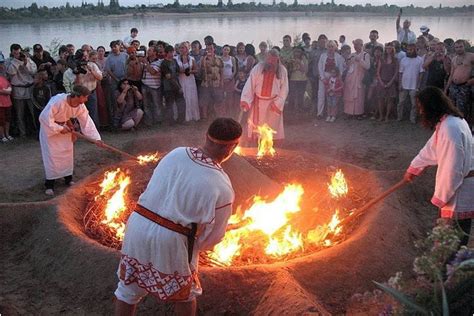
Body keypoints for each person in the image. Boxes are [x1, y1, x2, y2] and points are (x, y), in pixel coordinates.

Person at [114, 118, 241, 316]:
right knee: (185, 294)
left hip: (137, 224)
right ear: (232, 147)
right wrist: (196, 246)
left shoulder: (176, 153)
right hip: (173, 239)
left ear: (206, 137)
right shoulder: (222, 186)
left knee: (127, 289)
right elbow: (215, 236)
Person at [404, 87, 473, 247]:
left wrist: (441, 197)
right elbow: (431, 148)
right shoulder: (450, 122)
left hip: (458, 192)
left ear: (431, 107)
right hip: (460, 188)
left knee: (450, 242)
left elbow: (452, 169)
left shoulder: (450, 128)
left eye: (421, 107)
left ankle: (447, 270)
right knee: (452, 239)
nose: (420, 112)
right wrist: (413, 168)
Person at [39, 85, 102, 196]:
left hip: (66, 129)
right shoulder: (57, 101)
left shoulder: (80, 106)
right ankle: (49, 184)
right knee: (52, 157)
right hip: (50, 130)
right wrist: (59, 128)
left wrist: (96, 139)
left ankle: (68, 179)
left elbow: (86, 121)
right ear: (78, 96)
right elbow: (44, 118)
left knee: (66, 155)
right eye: (85, 97)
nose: (86, 100)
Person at [240, 49, 288, 141]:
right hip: (258, 102)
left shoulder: (282, 71)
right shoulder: (258, 68)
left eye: (273, 62)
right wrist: (245, 100)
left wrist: (278, 103)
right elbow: (250, 84)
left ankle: (269, 143)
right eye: (269, 61)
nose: (271, 64)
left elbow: (284, 89)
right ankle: (257, 142)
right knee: (257, 125)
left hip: (273, 103)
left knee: (271, 127)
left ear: (277, 61)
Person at [63, 49, 103, 128]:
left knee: (93, 113)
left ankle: (94, 131)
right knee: (79, 114)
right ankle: (82, 130)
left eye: (86, 56)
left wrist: (91, 71)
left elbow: (100, 77)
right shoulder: (73, 69)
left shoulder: (93, 65)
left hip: (91, 92)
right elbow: (77, 85)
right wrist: (78, 73)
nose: (84, 58)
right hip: (80, 95)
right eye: (83, 57)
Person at [7, 43, 37, 137]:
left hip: (29, 88)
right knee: (20, 114)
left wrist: (25, 62)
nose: (18, 55)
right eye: (15, 53)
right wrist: (17, 61)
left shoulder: (27, 59)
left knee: (33, 112)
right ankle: (22, 133)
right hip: (18, 89)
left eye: (19, 53)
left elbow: (33, 71)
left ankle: (36, 131)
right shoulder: (9, 62)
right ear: (12, 52)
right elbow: (11, 72)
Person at [445, 40, 473, 118]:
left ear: (464, 47)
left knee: (462, 110)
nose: (459, 49)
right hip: (453, 86)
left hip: (464, 86)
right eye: (456, 47)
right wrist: (446, 88)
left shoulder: (471, 56)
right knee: (452, 108)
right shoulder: (454, 59)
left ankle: (463, 127)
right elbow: (451, 74)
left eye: (461, 46)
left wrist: (473, 80)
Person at [397, 43, 424, 123]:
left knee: (414, 104)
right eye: (408, 50)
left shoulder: (420, 60)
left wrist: (418, 85)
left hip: (414, 86)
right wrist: (400, 84)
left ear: (415, 50)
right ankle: (399, 117)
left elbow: (421, 73)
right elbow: (400, 73)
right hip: (404, 85)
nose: (409, 51)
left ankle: (412, 118)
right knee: (400, 102)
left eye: (411, 50)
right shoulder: (403, 60)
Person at [343, 39, 370, 118]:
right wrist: (347, 61)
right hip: (350, 78)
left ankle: (359, 113)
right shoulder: (351, 54)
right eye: (354, 45)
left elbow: (367, 67)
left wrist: (360, 60)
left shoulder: (365, 55)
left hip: (360, 78)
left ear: (361, 45)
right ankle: (349, 112)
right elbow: (347, 66)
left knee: (359, 96)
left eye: (357, 45)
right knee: (349, 95)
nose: (355, 47)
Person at [317, 40, 344, 118]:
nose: (330, 48)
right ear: (326, 47)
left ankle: (333, 114)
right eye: (329, 46)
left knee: (333, 95)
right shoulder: (323, 56)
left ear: (335, 47)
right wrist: (322, 78)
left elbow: (341, 69)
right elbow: (320, 67)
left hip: (334, 78)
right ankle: (320, 113)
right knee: (321, 94)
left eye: (332, 46)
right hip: (324, 76)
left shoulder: (338, 57)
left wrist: (338, 79)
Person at [161, 45, 186, 124]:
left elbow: (178, 71)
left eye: (173, 52)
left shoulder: (174, 61)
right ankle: (171, 121)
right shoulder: (164, 63)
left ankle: (181, 120)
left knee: (181, 103)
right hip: (168, 87)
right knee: (170, 105)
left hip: (176, 84)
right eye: (170, 52)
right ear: (166, 53)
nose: (172, 54)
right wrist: (178, 87)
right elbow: (169, 77)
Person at [176, 42, 200, 122]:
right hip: (180, 80)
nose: (183, 49)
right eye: (181, 48)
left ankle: (192, 115)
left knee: (191, 97)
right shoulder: (175, 59)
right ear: (179, 49)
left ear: (188, 49)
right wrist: (180, 71)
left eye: (185, 48)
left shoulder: (192, 58)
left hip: (190, 80)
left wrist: (190, 71)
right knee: (182, 97)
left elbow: (196, 70)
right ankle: (181, 116)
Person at [199, 44, 224, 120]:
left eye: (211, 48)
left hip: (216, 82)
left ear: (214, 49)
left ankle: (218, 116)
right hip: (206, 82)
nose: (209, 50)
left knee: (218, 99)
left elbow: (221, 71)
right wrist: (204, 59)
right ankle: (205, 117)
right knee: (205, 100)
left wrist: (222, 81)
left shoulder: (219, 59)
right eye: (207, 49)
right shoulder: (203, 59)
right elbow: (200, 70)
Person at [376, 42, 399, 121]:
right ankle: (381, 116)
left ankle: (387, 116)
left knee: (390, 100)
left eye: (390, 48)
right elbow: (378, 72)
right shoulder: (381, 59)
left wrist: (390, 82)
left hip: (391, 82)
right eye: (387, 48)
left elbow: (396, 73)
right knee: (380, 99)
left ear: (393, 49)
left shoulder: (395, 60)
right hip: (382, 81)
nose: (388, 50)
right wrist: (381, 82)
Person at [141, 45, 163, 126]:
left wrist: (146, 63)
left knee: (156, 104)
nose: (148, 51)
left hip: (155, 86)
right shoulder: (144, 61)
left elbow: (153, 72)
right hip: (144, 85)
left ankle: (158, 121)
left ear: (155, 52)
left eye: (150, 50)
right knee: (146, 105)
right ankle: (149, 122)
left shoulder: (159, 61)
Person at [288, 47, 309, 113]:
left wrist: (299, 63)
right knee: (292, 95)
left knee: (301, 95)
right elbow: (289, 70)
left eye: (299, 52)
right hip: (293, 79)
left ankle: (300, 110)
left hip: (302, 79)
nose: (297, 53)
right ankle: (291, 110)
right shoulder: (291, 59)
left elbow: (305, 70)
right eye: (295, 52)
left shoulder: (304, 59)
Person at [0, 56, 13, 143]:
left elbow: (9, 86)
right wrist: (5, 91)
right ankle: (2, 135)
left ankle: (7, 134)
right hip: (0, 103)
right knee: (1, 120)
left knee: (8, 118)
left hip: (7, 102)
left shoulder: (4, 76)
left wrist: (8, 90)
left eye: (2, 63)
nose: (2, 65)